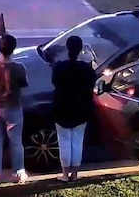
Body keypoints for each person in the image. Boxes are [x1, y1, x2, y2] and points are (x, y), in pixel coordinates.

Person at [0, 33, 30, 184]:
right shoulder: (19, 68)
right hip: (12, 107)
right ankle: (17, 172)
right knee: (16, 142)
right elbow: (23, 85)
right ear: (14, 49)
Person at [51, 35, 95, 182]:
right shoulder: (86, 68)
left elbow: (55, 83)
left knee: (63, 141)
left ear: (67, 48)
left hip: (62, 107)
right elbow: (92, 83)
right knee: (77, 141)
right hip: (81, 108)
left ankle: (64, 174)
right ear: (81, 49)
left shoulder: (59, 67)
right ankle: (75, 174)